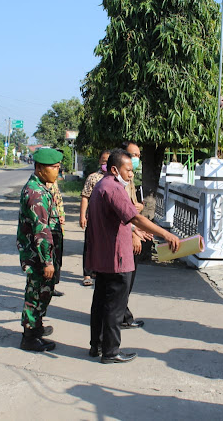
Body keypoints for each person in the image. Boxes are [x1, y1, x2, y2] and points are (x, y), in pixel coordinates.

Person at [86, 149, 180, 363]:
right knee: (114, 308)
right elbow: (135, 218)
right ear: (114, 169)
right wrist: (165, 233)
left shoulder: (102, 186)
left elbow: (120, 220)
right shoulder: (113, 188)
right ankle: (110, 352)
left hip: (104, 256)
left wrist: (135, 231)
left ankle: (97, 346)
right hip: (116, 257)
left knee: (101, 303)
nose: (131, 174)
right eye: (128, 170)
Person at [17, 147, 64, 352]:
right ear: (39, 168)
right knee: (36, 293)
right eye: (53, 168)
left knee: (42, 292)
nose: (57, 171)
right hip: (38, 255)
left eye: (58, 167)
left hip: (42, 253)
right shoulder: (36, 194)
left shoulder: (41, 188)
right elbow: (41, 230)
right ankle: (29, 336)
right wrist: (47, 261)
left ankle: (36, 328)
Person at [119, 141, 151, 329]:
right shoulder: (117, 182)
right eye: (133, 155)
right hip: (124, 236)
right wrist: (133, 233)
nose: (137, 159)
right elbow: (121, 214)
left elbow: (129, 208)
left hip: (131, 231)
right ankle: (120, 318)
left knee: (126, 281)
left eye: (138, 156)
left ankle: (122, 315)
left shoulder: (128, 179)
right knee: (123, 280)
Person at [79, 149, 110, 286]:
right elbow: (85, 197)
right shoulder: (93, 178)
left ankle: (99, 270)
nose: (106, 164)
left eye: (108, 161)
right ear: (99, 161)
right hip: (93, 218)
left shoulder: (116, 179)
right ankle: (87, 273)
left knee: (105, 246)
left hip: (109, 220)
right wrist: (82, 216)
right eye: (104, 161)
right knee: (90, 245)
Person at [47, 180, 65, 297]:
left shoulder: (54, 183)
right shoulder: (38, 187)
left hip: (56, 226)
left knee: (56, 258)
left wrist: (62, 215)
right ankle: (44, 289)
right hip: (46, 228)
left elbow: (59, 201)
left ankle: (51, 286)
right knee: (47, 259)